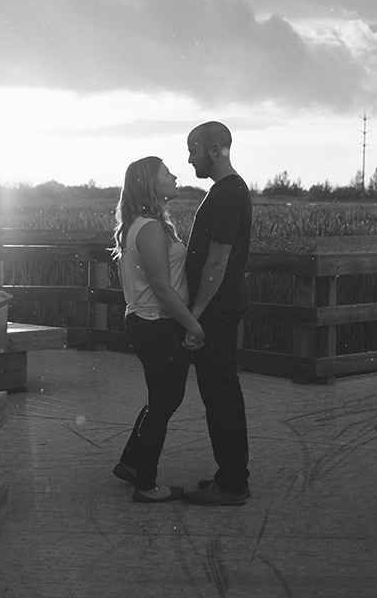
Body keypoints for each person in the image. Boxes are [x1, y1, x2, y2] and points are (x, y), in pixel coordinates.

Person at [110, 156, 205, 503]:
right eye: (167, 173)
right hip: (156, 324)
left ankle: (133, 464)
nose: (175, 175)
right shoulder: (149, 228)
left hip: (149, 323)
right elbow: (162, 288)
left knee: (161, 400)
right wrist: (193, 325)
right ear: (151, 184)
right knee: (165, 402)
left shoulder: (147, 224)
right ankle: (146, 486)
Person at [180, 121, 254, 506]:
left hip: (217, 306)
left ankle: (232, 483)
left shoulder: (226, 195)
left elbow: (217, 261)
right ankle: (233, 473)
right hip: (226, 302)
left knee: (219, 392)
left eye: (193, 151)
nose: (189, 159)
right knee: (225, 389)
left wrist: (195, 313)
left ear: (213, 150)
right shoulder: (231, 190)